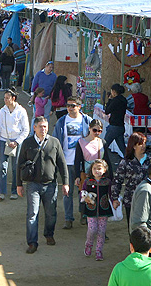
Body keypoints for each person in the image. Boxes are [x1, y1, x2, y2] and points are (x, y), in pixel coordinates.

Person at [16, 116, 69, 253]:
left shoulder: (54, 142)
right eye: (40, 126)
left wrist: (66, 182)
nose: (43, 129)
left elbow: (62, 164)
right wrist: (19, 184)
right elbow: (20, 164)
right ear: (34, 128)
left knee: (51, 213)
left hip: (50, 184)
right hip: (33, 184)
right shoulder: (27, 143)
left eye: (45, 126)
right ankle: (32, 242)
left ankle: (49, 234)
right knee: (32, 213)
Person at [53, 96, 93, 229]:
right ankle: (68, 218)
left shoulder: (87, 120)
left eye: (73, 105)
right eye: (68, 105)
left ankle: (83, 214)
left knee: (83, 191)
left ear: (79, 107)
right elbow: (56, 141)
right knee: (67, 191)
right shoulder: (61, 121)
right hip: (66, 162)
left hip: (82, 163)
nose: (70, 108)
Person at [0, 89, 30, 201]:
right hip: (4, 140)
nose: (5, 100)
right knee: (3, 166)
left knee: (15, 167)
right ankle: (2, 192)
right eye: (4, 98)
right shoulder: (2, 111)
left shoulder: (21, 111)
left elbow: (26, 130)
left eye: (7, 98)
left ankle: (14, 190)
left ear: (13, 98)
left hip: (17, 141)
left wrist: (17, 141)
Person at [74, 119, 112, 225]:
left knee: (101, 194)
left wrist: (111, 176)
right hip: (86, 173)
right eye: (94, 130)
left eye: (99, 131)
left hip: (100, 173)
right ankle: (84, 214)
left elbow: (107, 160)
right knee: (85, 194)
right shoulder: (81, 142)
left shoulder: (102, 142)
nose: (97, 133)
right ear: (89, 129)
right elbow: (77, 160)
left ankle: (100, 218)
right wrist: (77, 176)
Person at [111, 132, 151, 227]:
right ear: (134, 146)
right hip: (131, 200)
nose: (143, 146)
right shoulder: (125, 162)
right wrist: (115, 198)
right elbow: (117, 180)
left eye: (144, 143)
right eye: (140, 144)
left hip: (147, 198)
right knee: (133, 228)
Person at [81, 159, 112, 261]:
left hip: (104, 210)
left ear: (104, 170)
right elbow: (83, 192)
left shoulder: (107, 182)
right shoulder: (88, 181)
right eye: (94, 168)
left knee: (101, 232)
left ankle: (99, 251)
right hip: (91, 209)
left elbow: (111, 194)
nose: (97, 171)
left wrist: (115, 201)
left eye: (99, 168)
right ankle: (89, 244)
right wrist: (85, 198)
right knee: (92, 229)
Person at [104, 83, 128, 158]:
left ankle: (97, 160)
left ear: (114, 91)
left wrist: (110, 100)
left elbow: (107, 111)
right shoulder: (124, 100)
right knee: (123, 148)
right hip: (120, 126)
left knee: (103, 146)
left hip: (114, 126)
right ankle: (130, 161)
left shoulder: (115, 101)